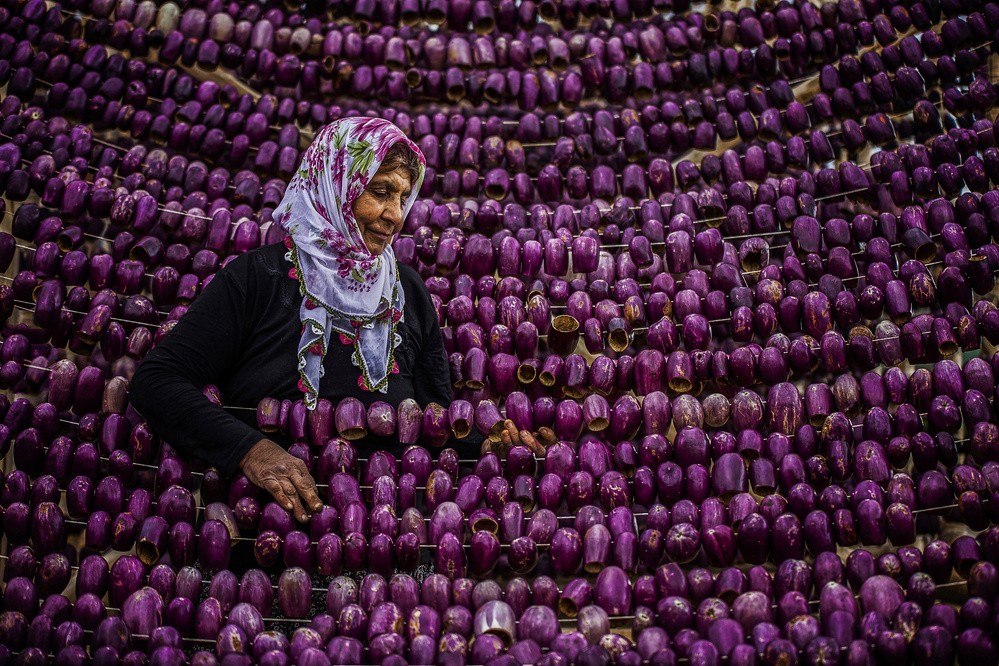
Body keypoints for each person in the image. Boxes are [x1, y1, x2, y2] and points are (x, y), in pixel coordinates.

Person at [130, 118, 556, 523]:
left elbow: (434, 422)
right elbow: (158, 381)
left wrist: (489, 446)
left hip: (385, 535)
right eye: (381, 192)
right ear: (335, 185)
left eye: (403, 197)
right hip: (273, 531)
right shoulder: (258, 278)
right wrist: (250, 450)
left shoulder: (407, 291)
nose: (395, 215)